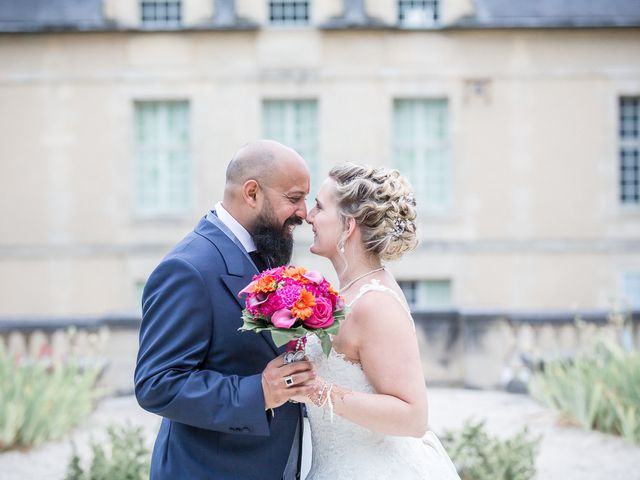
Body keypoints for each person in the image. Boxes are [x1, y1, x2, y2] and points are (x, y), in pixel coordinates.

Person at [134, 140, 317, 480]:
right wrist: (258, 392)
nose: (304, 213)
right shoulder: (188, 269)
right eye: (294, 199)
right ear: (252, 194)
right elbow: (156, 384)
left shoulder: (264, 250)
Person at [299, 163, 460, 479]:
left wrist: (316, 391)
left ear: (348, 226)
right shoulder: (344, 294)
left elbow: (413, 417)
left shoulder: (375, 304)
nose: (308, 216)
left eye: (319, 206)